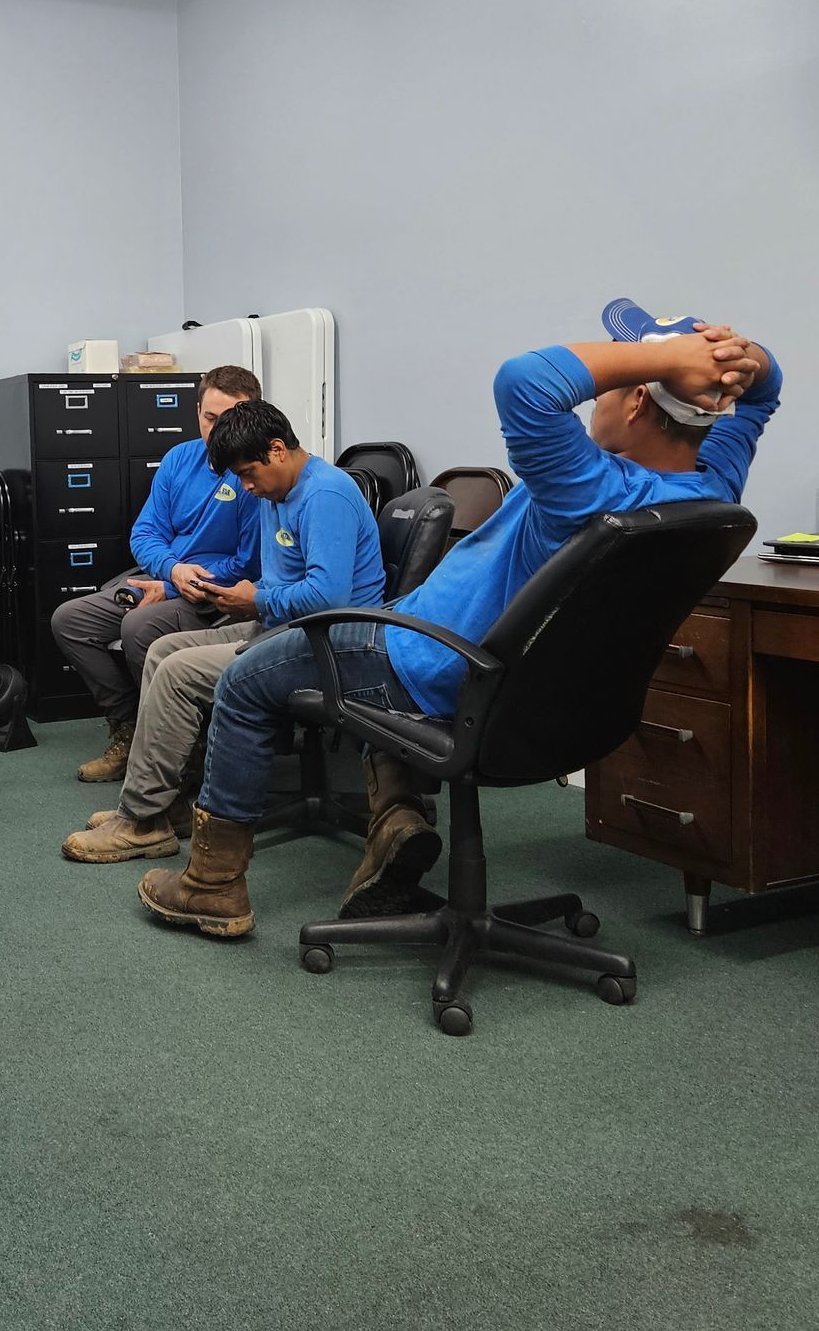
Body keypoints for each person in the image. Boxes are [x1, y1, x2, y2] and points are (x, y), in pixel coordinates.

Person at [136, 302, 784, 939]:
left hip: (435, 661)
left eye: (613, 388)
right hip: (543, 701)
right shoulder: (712, 488)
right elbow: (765, 393)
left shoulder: (584, 485)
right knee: (359, 645)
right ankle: (396, 824)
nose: (597, 400)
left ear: (637, 399)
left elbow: (524, 381)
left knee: (246, 679)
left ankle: (211, 886)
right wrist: (734, 360)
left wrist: (672, 356)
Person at [62, 399, 385, 864]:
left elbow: (329, 598)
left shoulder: (324, 496)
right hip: (283, 627)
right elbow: (284, 578)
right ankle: (166, 805)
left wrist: (256, 598)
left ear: (277, 450)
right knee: (162, 651)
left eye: (250, 474)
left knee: (176, 672)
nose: (247, 487)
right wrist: (248, 593)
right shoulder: (276, 491)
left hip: (328, 642)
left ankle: (138, 821)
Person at [49, 365, 264, 783]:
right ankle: (129, 731)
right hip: (170, 578)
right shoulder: (179, 459)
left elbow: (250, 562)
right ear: (197, 411)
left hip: (214, 594)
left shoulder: (253, 476)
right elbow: (145, 533)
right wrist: (172, 570)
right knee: (69, 620)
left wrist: (174, 586)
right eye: (211, 418)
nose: (221, 430)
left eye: (234, 418)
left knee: (138, 626)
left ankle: (176, 751)